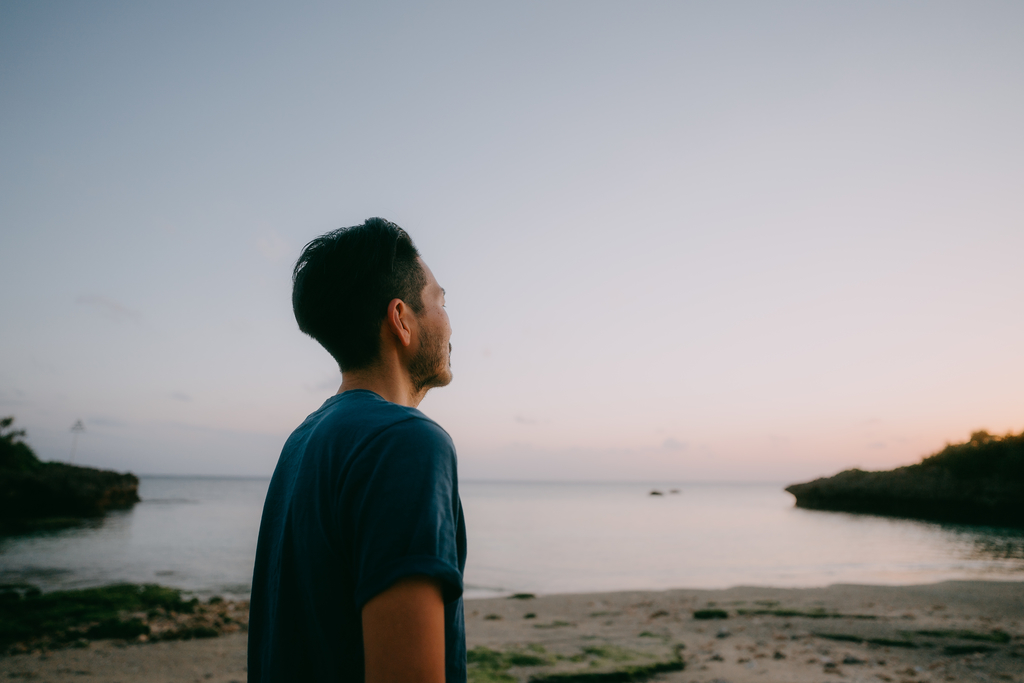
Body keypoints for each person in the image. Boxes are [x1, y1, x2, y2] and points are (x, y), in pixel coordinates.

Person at [248, 218, 466, 682]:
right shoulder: (405, 442)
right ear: (401, 319)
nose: (450, 321)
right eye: (441, 302)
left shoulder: (303, 443)